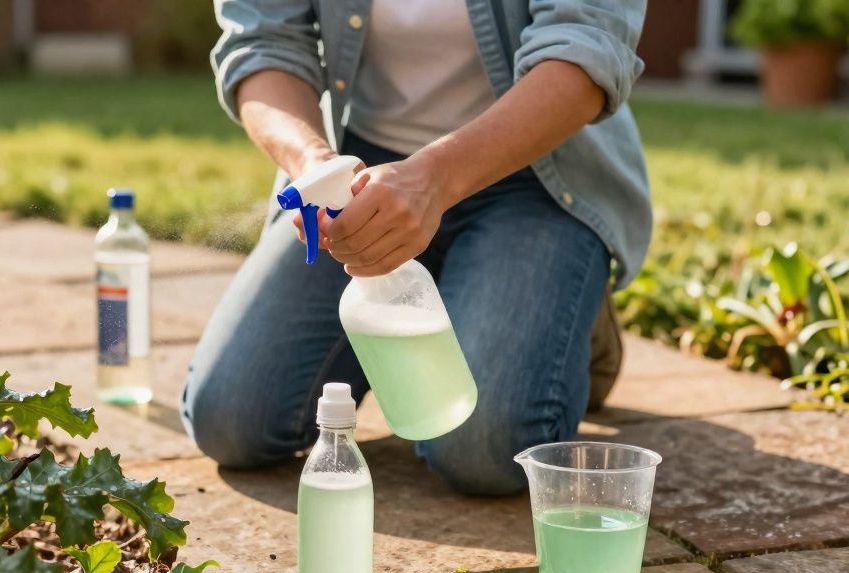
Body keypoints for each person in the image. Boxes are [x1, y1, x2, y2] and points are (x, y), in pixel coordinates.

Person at [181, 0, 651, 495]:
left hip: (535, 177)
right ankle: (471, 291)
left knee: (481, 450)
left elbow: (586, 50)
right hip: (360, 169)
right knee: (232, 421)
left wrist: (433, 182)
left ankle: (574, 311)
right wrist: (317, 168)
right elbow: (262, 43)